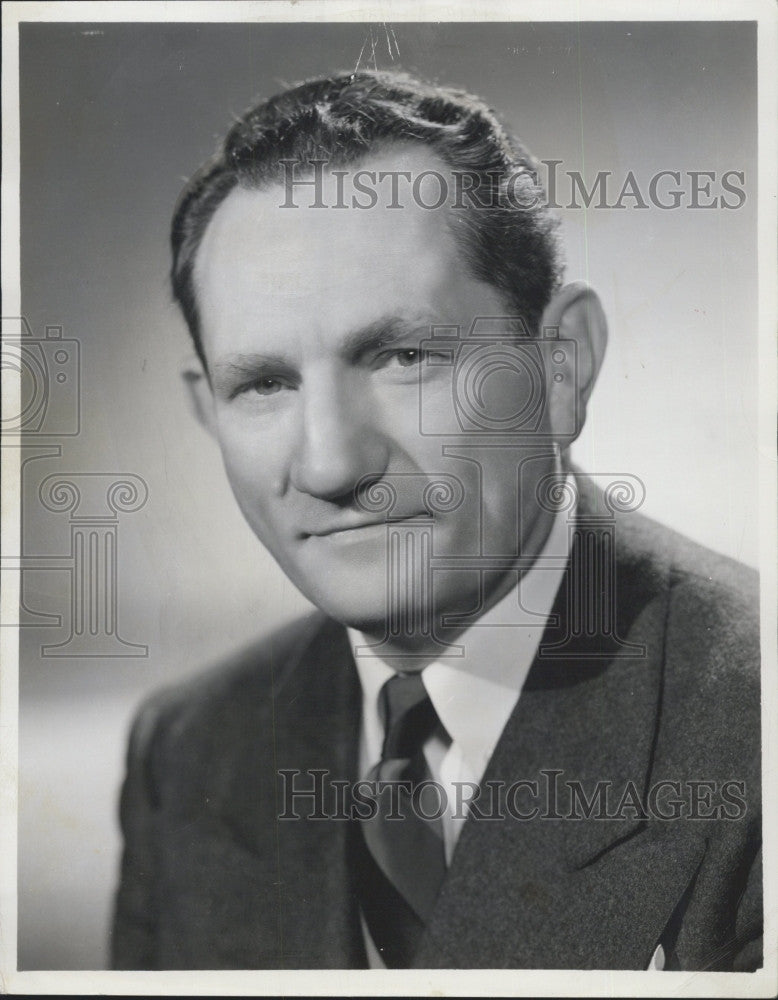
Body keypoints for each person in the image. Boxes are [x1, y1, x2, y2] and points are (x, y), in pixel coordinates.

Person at [111, 70, 761, 971]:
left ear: (560, 366)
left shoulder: (753, 729)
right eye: (263, 384)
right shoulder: (187, 754)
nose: (333, 464)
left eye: (404, 356)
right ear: (207, 410)